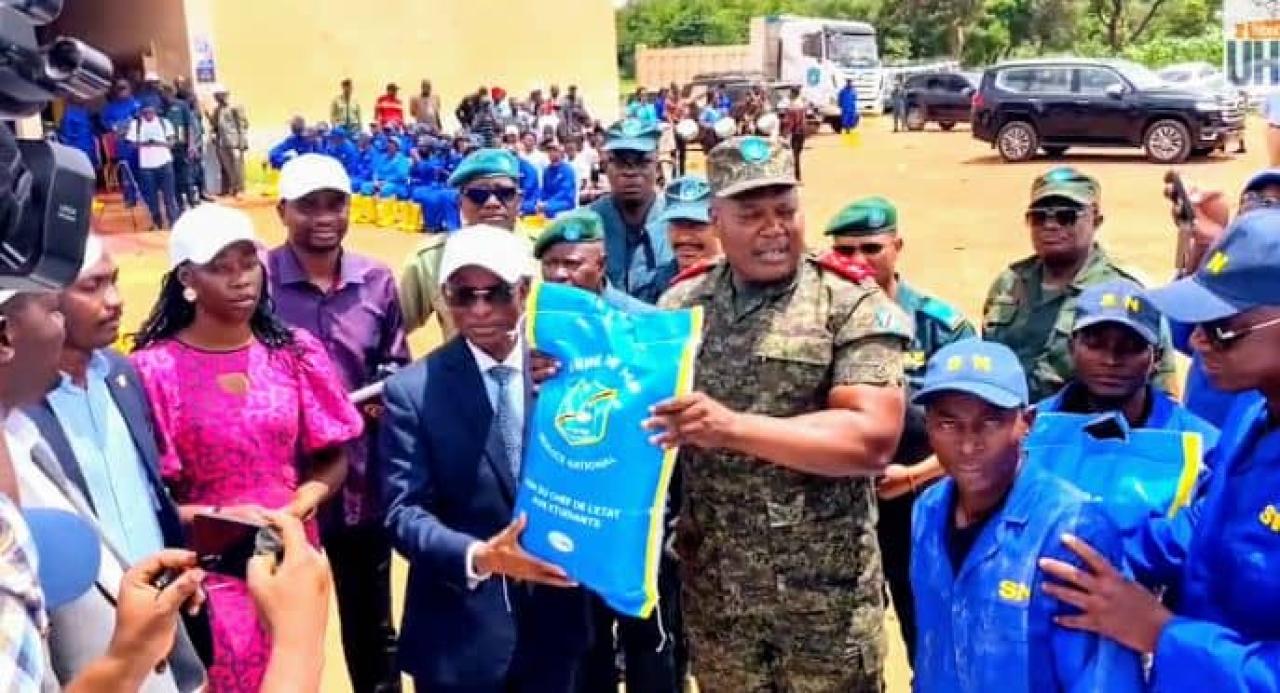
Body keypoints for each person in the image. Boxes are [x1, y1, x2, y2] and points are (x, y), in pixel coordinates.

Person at [650, 136, 911, 690]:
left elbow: (871, 438)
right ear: (715, 219)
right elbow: (634, 414)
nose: (774, 228)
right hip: (720, 602)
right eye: (751, 214)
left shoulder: (850, 304)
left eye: (785, 211)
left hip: (825, 607)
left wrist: (731, 428)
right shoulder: (679, 309)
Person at [1037, 208, 1280, 691]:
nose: (1196, 341)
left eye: (1221, 328)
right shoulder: (1253, 413)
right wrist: (1088, 552)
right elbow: (1205, 522)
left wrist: (1162, 633)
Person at [130, 203, 364, 692]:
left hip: (291, 560)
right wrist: (217, 516)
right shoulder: (154, 370)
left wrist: (298, 506)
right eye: (221, 267)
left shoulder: (294, 353)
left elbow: (334, 455)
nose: (241, 279)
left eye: (248, 262)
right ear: (187, 279)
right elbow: (148, 495)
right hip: (209, 574)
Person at [381, 225, 590, 692]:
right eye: (462, 295)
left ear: (524, 289)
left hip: (555, 628)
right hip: (457, 640)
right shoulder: (412, 392)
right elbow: (402, 513)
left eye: (495, 294)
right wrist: (481, 557)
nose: (478, 311)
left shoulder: (567, 376)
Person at [24, 234, 212, 680]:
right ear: (43, 299)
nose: (115, 301)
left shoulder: (123, 375)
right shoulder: (17, 409)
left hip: (166, 611)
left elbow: (150, 497)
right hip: (94, 639)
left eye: (115, 281)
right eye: (91, 287)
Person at [910, 339, 1144, 692]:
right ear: (927, 425)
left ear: (1028, 422)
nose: (969, 444)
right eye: (948, 424)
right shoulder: (927, 511)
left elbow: (1102, 678)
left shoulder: (1072, 530)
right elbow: (933, 643)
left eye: (990, 422)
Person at [267, 154, 408, 693]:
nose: (324, 216)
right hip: (285, 485)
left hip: (360, 482)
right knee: (283, 626)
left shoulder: (377, 280)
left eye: (335, 203)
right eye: (309, 206)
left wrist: (383, 393)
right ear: (283, 211)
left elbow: (396, 360)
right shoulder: (257, 283)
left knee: (372, 624)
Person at [822, 195, 975, 667]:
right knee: (842, 643)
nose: (859, 262)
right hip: (842, 510)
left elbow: (974, 431)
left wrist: (913, 476)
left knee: (927, 630)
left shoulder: (939, 327)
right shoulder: (817, 324)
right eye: (845, 252)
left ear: (897, 246)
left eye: (871, 248)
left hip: (924, 504)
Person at [982, 166, 1176, 403]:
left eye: (1066, 216)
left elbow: (1161, 388)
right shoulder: (1008, 283)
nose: (1051, 226)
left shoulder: (1127, 291)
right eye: (1039, 216)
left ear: (1096, 220)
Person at [1035, 279, 1219, 445]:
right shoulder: (1031, 429)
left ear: (1157, 357)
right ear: (1071, 347)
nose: (1111, 360)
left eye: (1131, 346)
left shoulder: (1198, 446)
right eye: (1095, 344)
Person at [1162, 169, 1275, 427]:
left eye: (1271, 204)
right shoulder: (1229, 272)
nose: (1259, 210)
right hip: (1214, 443)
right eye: (1252, 199)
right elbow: (1178, 330)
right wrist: (1205, 247)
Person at [399, 148, 536, 338]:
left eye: (504, 193)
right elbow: (392, 329)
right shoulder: (431, 259)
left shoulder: (545, 256)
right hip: (463, 367)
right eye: (478, 195)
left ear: (519, 200)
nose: (492, 203)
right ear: (460, 202)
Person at [588, 119, 675, 304]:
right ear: (605, 167)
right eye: (620, 163)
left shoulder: (677, 225)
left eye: (642, 163)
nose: (631, 173)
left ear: (658, 169)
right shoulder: (588, 225)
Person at [534, 209, 650, 313]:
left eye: (571, 264)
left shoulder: (638, 320)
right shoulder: (534, 316)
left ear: (601, 266)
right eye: (549, 264)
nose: (559, 274)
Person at [127, 103, 181, 231]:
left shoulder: (164, 123)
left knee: (169, 195)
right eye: (145, 113)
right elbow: (131, 144)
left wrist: (159, 143)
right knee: (151, 196)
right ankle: (157, 222)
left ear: (155, 111)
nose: (148, 115)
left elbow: (172, 142)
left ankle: (173, 222)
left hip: (164, 162)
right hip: (146, 165)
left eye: (150, 112)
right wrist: (144, 143)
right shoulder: (136, 125)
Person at [657, 175, 719, 273]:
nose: (684, 238)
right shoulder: (656, 285)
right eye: (677, 224)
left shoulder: (742, 284)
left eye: (697, 225)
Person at [162, 84, 201, 210]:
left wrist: (192, 144)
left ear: (172, 94)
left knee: (187, 177)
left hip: (182, 146)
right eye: (163, 95)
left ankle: (193, 204)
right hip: (168, 148)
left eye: (167, 94)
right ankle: (179, 206)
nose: (165, 97)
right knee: (173, 179)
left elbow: (189, 125)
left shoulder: (182, 105)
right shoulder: (162, 108)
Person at [208, 85, 249, 198]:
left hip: (234, 141)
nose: (216, 98)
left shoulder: (235, 107)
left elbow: (242, 125)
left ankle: (240, 189)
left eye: (218, 95)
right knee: (228, 167)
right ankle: (233, 188)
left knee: (237, 166)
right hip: (222, 142)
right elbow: (215, 124)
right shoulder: (218, 110)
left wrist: (242, 141)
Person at [537, 138, 577, 218]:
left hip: (564, 204)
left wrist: (548, 204)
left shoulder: (567, 170)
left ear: (561, 152)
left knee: (550, 210)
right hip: (548, 204)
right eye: (549, 151)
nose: (552, 153)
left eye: (555, 150)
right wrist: (540, 201)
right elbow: (544, 190)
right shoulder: (547, 170)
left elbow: (565, 193)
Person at [780, 87, 808, 181]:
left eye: (791, 93)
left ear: (793, 94)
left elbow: (791, 123)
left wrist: (785, 134)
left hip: (796, 133)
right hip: (802, 132)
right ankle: (796, 176)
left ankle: (796, 176)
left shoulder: (793, 107)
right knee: (797, 154)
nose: (789, 95)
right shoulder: (802, 103)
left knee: (794, 155)